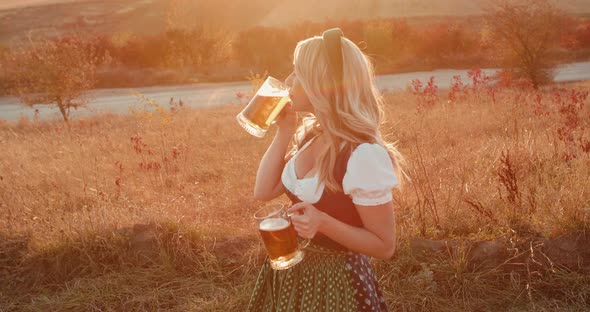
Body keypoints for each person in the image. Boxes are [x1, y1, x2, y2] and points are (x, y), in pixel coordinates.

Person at [247, 28, 405, 312]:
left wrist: (323, 223)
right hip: (294, 273)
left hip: (338, 282)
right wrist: (284, 131)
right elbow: (263, 191)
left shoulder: (362, 155)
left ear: (321, 84)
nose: (288, 81)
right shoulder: (311, 135)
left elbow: (385, 246)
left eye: (298, 73)